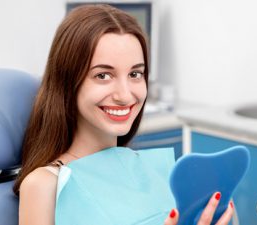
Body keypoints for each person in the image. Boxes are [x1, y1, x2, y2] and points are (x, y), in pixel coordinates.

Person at [13, 4, 234, 225]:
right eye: (103, 75)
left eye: (135, 74)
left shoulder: (155, 172)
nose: (125, 95)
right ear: (68, 82)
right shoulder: (44, 185)